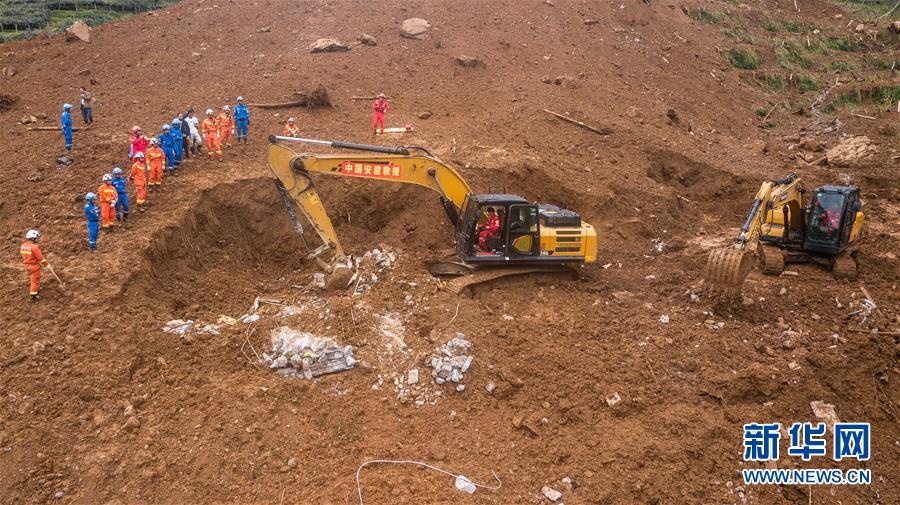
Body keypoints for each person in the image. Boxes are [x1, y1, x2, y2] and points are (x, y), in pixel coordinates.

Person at [20, 229, 51, 301]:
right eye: (36, 238)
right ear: (33, 238)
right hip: (34, 267)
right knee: (35, 280)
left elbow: (30, 256)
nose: (37, 239)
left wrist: (35, 261)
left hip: (27, 265)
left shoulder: (23, 246)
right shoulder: (34, 247)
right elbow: (41, 258)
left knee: (34, 279)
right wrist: (47, 265)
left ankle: (35, 289)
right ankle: (34, 295)